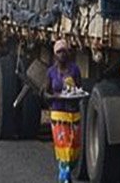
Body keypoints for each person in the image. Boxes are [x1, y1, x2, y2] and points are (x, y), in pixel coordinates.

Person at [42, 39, 84, 183]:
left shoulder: (75, 70)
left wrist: (74, 94)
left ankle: (66, 173)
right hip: (58, 114)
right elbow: (45, 93)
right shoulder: (51, 72)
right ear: (55, 55)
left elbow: (79, 89)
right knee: (64, 148)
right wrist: (55, 96)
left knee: (74, 151)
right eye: (59, 52)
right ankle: (64, 178)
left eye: (64, 51)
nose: (62, 54)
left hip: (74, 114)